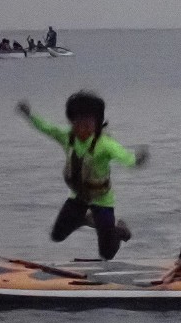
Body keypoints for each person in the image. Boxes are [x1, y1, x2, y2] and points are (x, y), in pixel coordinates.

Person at [16, 91, 148, 260]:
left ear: (97, 123)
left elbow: (124, 156)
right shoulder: (67, 137)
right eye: (78, 123)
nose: (82, 128)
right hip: (77, 197)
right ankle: (84, 219)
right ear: (72, 121)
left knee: (107, 254)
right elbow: (47, 128)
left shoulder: (105, 144)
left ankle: (119, 231)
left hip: (102, 200)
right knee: (57, 235)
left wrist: (136, 161)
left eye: (88, 124)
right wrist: (29, 115)